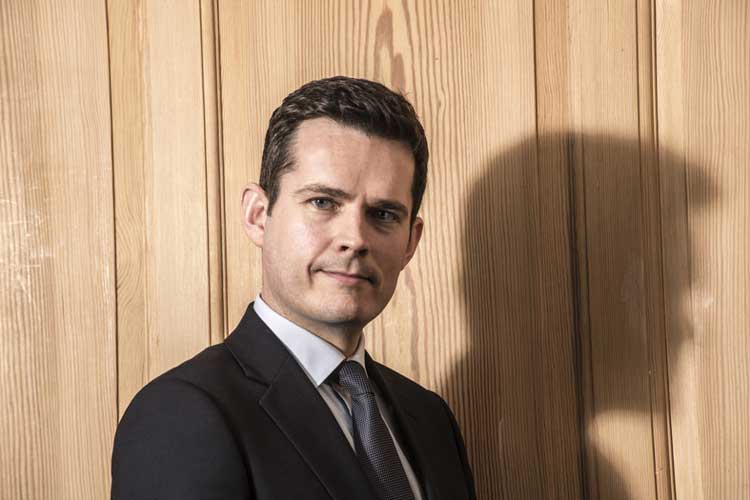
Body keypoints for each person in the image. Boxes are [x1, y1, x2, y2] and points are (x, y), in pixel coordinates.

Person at [111, 76, 477, 500]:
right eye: (323, 202)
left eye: (383, 214)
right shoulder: (181, 415)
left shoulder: (431, 420)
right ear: (257, 215)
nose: (355, 238)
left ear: (410, 241)